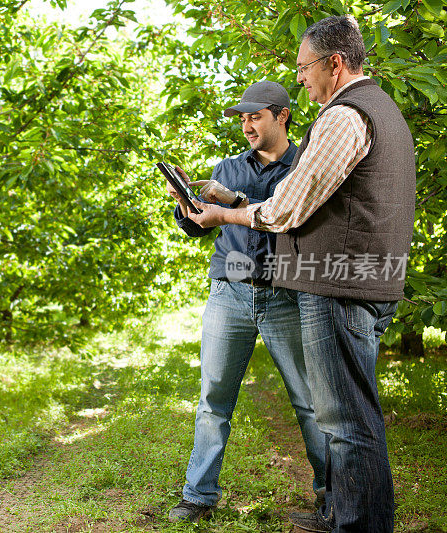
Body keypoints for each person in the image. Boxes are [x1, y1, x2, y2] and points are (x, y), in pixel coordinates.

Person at [186, 15, 416, 533]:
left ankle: (355, 524)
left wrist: (225, 214)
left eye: (305, 67)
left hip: (337, 285)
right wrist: (236, 203)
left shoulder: (343, 116)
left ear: (334, 64)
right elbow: (313, 202)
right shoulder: (383, 113)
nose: (303, 77)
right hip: (361, 279)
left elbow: (288, 209)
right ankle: (343, 513)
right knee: (348, 415)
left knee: (345, 421)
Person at [165, 80, 327, 523]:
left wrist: (233, 202)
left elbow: (286, 217)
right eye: (242, 118)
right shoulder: (228, 167)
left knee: (311, 403)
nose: (247, 125)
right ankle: (198, 496)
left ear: (282, 115)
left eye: (255, 116)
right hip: (229, 291)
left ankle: (330, 495)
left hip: (284, 296)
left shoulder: (306, 166)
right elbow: (202, 225)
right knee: (213, 400)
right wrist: (185, 207)